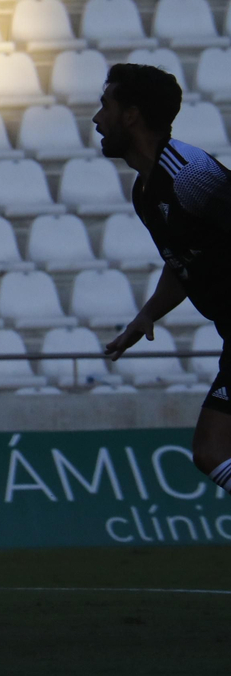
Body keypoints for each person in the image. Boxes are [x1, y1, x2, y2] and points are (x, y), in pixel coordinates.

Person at [99, 64, 231, 493]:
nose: (98, 120)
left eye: (106, 107)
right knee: (210, 452)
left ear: (131, 115)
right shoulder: (145, 191)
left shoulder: (190, 175)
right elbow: (183, 261)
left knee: (211, 450)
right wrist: (147, 314)